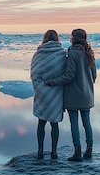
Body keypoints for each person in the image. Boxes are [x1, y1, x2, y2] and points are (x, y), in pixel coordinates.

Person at [45, 28, 96, 161]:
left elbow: (69, 76)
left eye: (71, 36)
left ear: (74, 38)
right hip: (87, 95)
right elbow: (94, 75)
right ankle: (89, 150)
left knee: (74, 123)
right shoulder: (89, 53)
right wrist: (88, 85)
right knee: (87, 122)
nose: (69, 38)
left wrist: (52, 82)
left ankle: (77, 152)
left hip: (74, 95)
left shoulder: (73, 53)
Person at [30, 29, 67, 159]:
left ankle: (40, 150)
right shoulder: (62, 54)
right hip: (56, 91)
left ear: (44, 38)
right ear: (57, 38)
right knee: (54, 123)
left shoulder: (38, 53)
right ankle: (54, 151)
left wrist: (39, 87)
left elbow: (33, 73)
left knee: (41, 122)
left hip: (41, 91)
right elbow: (64, 73)